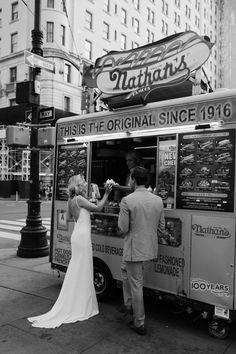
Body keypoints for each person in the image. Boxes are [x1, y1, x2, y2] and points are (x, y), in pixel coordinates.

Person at [28, 174, 112, 328]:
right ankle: (81, 302)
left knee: (77, 269)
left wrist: (82, 213)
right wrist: (106, 193)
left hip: (76, 236)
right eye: (83, 182)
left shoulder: (71, 201)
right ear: (78, 185)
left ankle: (74, 300)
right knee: (84, 269)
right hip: (82, 237)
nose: (85, 183)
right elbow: (99, 208)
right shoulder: (80, 200)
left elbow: (67, 218)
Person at [118, 167, 165, 336]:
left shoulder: (127, 200)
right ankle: (128, 304)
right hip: (149, 248)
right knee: (124, 270)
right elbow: (161, 228)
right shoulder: (158, 200)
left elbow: (123, 228)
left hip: (134, 248)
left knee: (136, 284)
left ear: (133, 180)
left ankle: (139, 322)